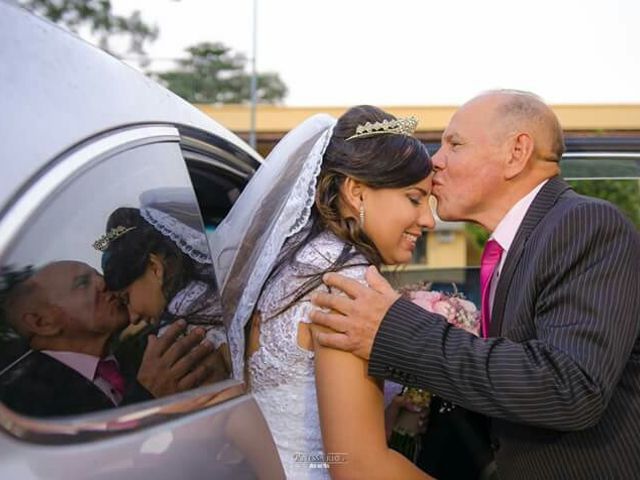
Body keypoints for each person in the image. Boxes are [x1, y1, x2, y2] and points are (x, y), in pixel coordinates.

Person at [310, 90, 640, 478]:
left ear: (516, 153)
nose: (435, 161)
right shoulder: (514, 246)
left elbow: (571, 387)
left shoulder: (586, 225)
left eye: (454, 143)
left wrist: (394, 330)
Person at [216, 105, 436, 479]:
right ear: (356, 193)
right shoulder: (348, 284)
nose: (429, 220)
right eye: (415, 199)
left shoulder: (289, 268)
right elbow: (360, 470)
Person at [0, 261, 219, 417]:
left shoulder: (146, 354)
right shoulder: (25, 405)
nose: (104, 283)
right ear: (43, 323)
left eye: (98, 274)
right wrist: (148, 397)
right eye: (82, 283)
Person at [98, 206, 230, 381]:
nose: (133, 318)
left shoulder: (175, 337)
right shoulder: (222, 275)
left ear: (154, 268)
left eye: (126, 299)